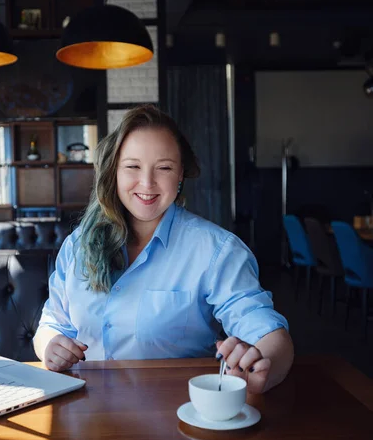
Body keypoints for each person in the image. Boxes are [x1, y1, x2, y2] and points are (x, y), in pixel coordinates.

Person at [33, 105, 294, 394]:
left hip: (174, 420)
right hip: (84, 417)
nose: (147, 183)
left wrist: (261, 364)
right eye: (132, 166)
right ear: (114, 171)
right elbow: (52, 323)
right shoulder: (79, 244)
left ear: (180, 174)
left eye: (164, 168)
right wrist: (49, 345)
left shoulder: (216, 250)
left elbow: (269, 334)